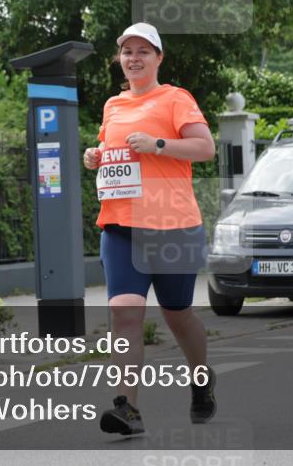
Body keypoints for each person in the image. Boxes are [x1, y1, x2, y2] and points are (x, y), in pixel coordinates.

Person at [83, 22, 217, 435]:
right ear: (120, 59)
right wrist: (96, 155)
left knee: (178, 315)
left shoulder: (176, 98)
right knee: (124, 314)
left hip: (172, 226)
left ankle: (201, 379)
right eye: (128, 52)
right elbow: (115, 149)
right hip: (120, 225)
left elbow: (205, 148)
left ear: (159, 58)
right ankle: (127, 407)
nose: (134, 58)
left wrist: (159, 144)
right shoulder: (113, 105)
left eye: (143, 51)